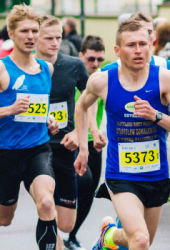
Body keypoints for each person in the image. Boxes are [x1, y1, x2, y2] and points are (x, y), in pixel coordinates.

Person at [0, 5, 59, 250]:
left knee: (47, 203)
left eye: (34, 31)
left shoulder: (46, 69)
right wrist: (8, 110)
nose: (30, 36)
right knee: (5, 217)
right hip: (7, 154)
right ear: (11, 33)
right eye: (24, 31)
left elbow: (38, 107)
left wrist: (48, 119)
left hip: (38, 149)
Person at [75, 20, 170, 250]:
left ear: (150, 45)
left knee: (141, 241)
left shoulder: (164, 79)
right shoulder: (102, 81)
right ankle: (111, 236)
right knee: (139, 240)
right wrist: (83, 147)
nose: (138, 50)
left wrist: (156, 115)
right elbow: (81, 106)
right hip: (121, 174)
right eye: (131, 45)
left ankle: (109, 236)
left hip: (157, 174)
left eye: (142, 44)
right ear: (117, 50)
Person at [34, 15, 89, 250]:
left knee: (66, 224)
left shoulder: (74, 65)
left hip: (65, 145)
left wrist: (79, 131)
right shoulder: (25, 68)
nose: (55, 43)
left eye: (58, 37)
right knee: (46, 204)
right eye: (49, 38)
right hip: (36, 147)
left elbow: (90, 100)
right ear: (35, 38)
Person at [64, 35, 106, 250]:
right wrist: (77, 132)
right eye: (91, 59)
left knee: (90, 191)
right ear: (81, 56)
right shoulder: (73, 77)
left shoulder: (103, 79)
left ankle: (71, 235)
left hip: (93, 143)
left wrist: (98, 133)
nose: (95, 64)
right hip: (72, 140)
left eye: (100, 59)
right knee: (83, 180)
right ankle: (59, 217)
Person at [102, 12, 170, 71]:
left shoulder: (165, 65)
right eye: (138, 33)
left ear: (155, 35)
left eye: (148, 32)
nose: (144, 37)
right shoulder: (109, 71)